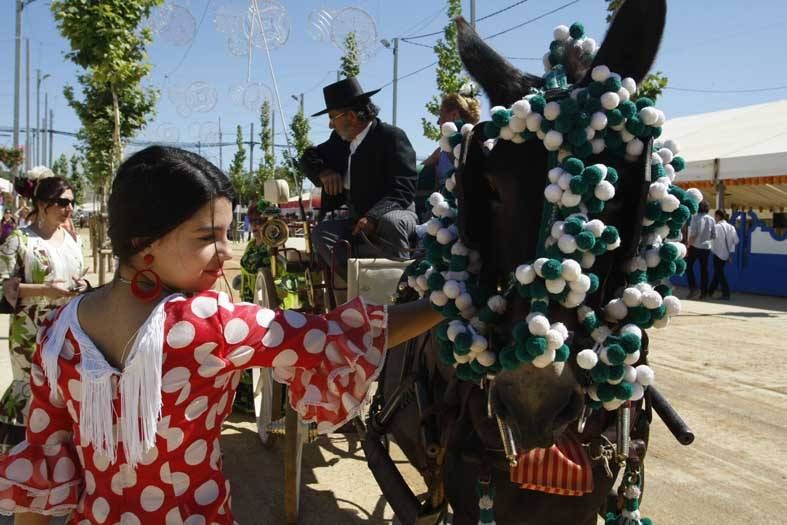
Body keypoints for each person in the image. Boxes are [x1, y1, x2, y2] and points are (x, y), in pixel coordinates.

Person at [0, 146, 441, 523]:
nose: (227, 252)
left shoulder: (60, 332)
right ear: (143, 241)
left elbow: (39, 467)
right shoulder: (210, 324)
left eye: (229, 233)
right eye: (210, 236)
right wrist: (442, 304)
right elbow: (339, 336)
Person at [301, 77, 418, 292]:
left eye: (332, 117)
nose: (330, 124)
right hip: (357, 219)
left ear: (352, 116)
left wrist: (373, 216)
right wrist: (323, 172)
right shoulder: (340, 141)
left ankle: (403, 290)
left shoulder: (391, 137)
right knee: (322, 233)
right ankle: (362, 286)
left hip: (398, 212)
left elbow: (403, 189)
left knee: (390, 221)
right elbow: (308, 157)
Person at [0, 170, 86, 453]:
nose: (69, 208)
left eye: (71, 202)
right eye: (62, 202)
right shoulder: (20, 240)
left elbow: (81, 276)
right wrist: (42, 290)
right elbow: (2, 286)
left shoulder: (73, 240)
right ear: (41, 205)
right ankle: (23, 460)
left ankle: (60, 460)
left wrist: (83, 284)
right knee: (32, 387)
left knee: (63, 387)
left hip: (68, 331)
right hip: (30, 334)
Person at [684, 200, 715, 299]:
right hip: (706, 248)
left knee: (688, 268)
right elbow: (714, 235)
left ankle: (693, 288)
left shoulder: (695, 218)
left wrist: (688, 245)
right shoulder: (712, 219)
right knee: (704, 270)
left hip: (695, 246)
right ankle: (703, 293)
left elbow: (693, 234)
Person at [709, 210, 739, 300]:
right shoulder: (731, 227)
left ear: (718, 216)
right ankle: (710, 291)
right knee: (718, 273)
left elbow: (710, 239)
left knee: (720, 274)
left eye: (715, 216)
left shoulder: (716, 227)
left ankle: (726, 293)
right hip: (726, 254)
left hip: (717, 253)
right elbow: (736, 241)